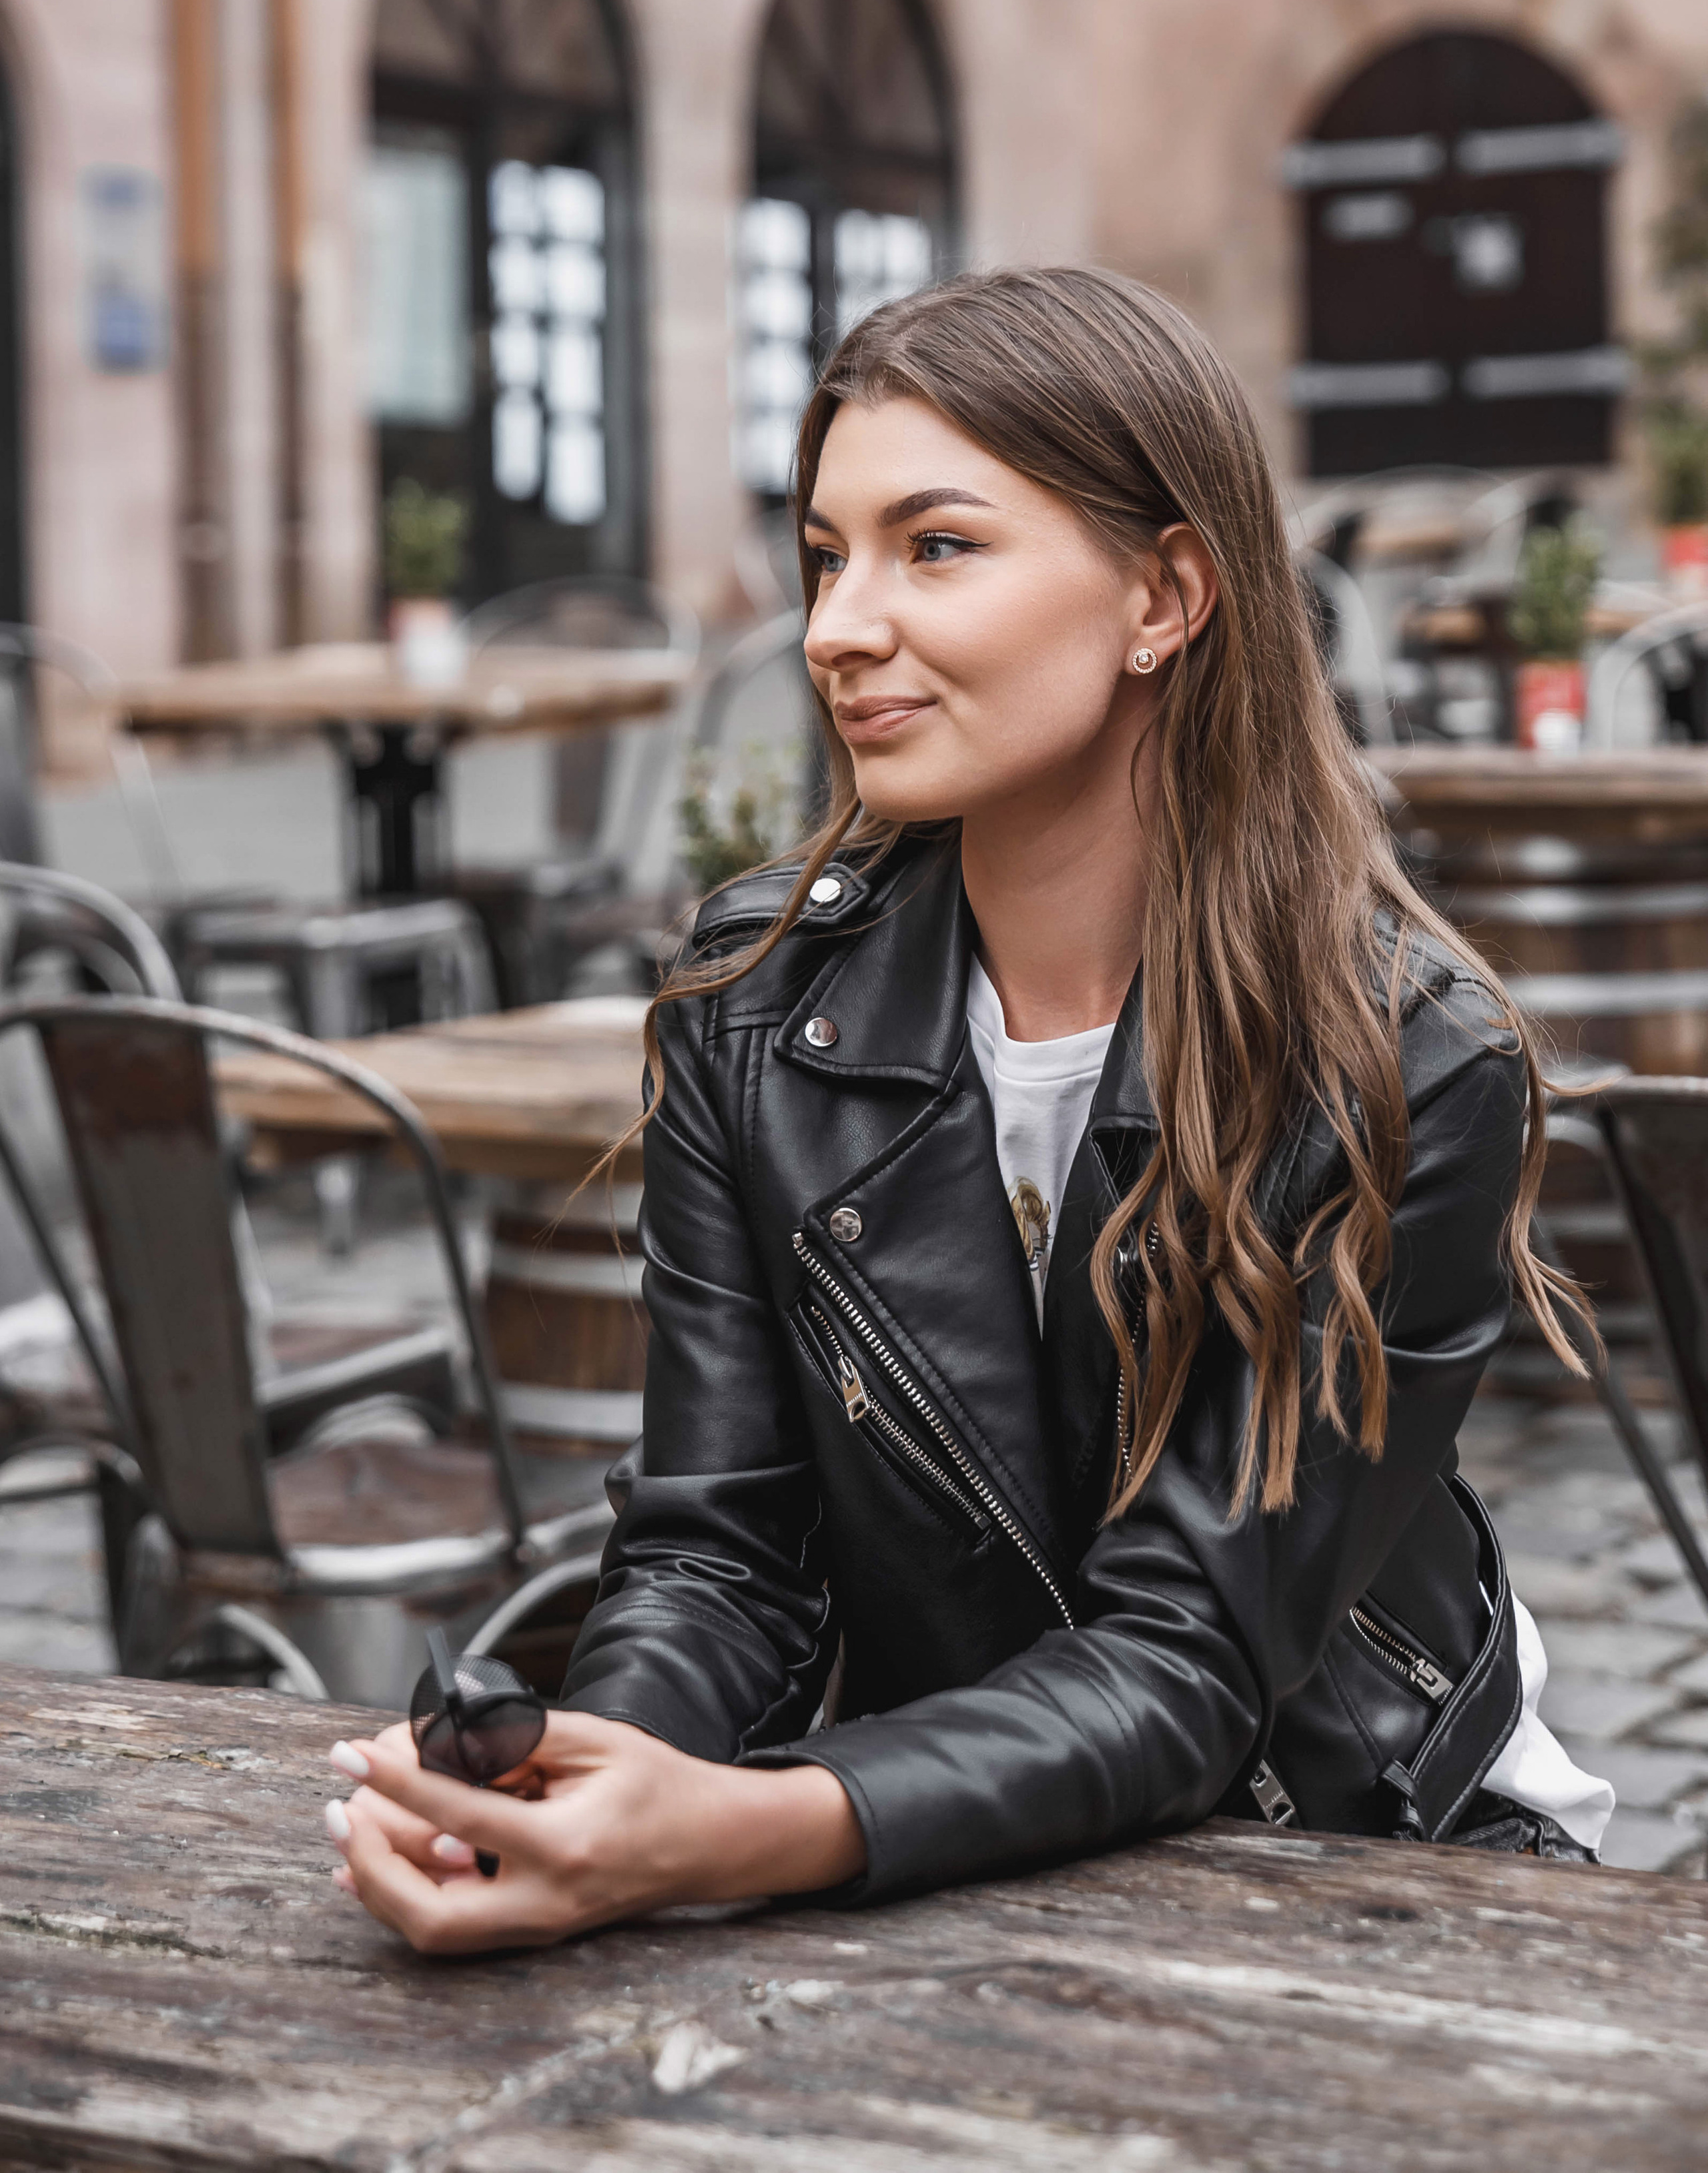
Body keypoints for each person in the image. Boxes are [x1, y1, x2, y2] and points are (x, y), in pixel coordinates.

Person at [324, 269, 1614, 1953]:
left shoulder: (1409, 1069)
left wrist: (744, 1829)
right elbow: (720, 1548)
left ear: (1163, 596)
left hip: (1358, 1852)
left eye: (934, 547)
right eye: (823, 556)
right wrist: (591, 1788)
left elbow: (1188, 1660)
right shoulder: (752, 1006)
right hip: (938, 1838)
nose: (835, 627)